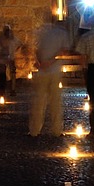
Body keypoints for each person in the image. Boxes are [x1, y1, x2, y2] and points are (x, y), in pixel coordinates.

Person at [28, 8, 71, 138]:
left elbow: (34, 50)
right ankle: (57, 131)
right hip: (54, 71)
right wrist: (50, 61)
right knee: (55, 102)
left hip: (41, 71)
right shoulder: (62, 33)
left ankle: (34, 131)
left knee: (39, 101)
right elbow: (63, 51)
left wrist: (40, 62)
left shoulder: (41, 32)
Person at [0, 24, 21, 95]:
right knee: (2, 74)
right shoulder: (0, 39)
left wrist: (14, 51)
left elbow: (19, 44)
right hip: (3, 58)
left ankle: (13, 89)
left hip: (11, 58)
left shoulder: (13, 38)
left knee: (13, 73)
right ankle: (2, 89)